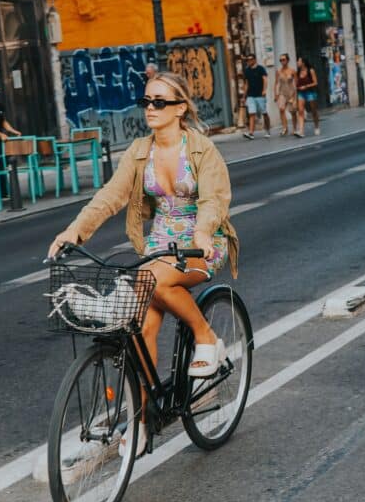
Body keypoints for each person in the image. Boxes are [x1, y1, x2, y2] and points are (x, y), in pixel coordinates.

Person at [48, 71, 239, 457]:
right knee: (141, 328)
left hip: (202, 245)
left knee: (153, 279)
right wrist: (74, 231)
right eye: (147, 101)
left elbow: (214, 200)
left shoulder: (201, 150)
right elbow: (109, 197)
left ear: (180, 108)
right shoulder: (139, 152)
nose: (150, 108)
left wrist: (204, 232)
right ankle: (143, 420)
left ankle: (206, 337)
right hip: (158, 246)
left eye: (160, 102)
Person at [242, 53, 270, 139]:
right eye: (247, 60)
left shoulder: (260, 69)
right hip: (250, 95)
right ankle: (251, 133)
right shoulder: (247, 71)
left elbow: (265, 80)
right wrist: (244, 96)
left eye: (250, 59)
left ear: (254, 60)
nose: (249, 61)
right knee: (252, 113)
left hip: (260, 95)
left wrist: (264, 90)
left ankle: (267, 130)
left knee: (264, 113)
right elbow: (246, 84)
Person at [273, 54, 297, 137]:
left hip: (291, 93)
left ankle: (294, 129)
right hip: (282, 93)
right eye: (280, 60)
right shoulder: (278, 72)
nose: (282, 62)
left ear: (287, 60)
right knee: (281, 109)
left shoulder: (292, 71)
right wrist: (275, 94)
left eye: (283, 60)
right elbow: (276, 83)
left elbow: (297, 83)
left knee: (292, 112)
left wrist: (295, 95)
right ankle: (285, 128)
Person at [295, 57, 320, 137]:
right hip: (301, 93)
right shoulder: (298, 72)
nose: (297, 62)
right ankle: (301, 131)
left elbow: (315, 82)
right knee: (301, 111)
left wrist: (306, 86)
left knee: (314, 111)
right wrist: (297, 87)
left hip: (310, 92)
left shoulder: (310, 70)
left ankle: (316, 126)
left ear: (303, 63)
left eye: (298, 61)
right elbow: (297, 83)